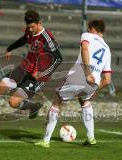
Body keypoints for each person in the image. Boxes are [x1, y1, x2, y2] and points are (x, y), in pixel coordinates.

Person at [0, 10, 62, 126]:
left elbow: (58, 59)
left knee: (13, 102)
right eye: (28, 27)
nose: (30, 29)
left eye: (33, 27)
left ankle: (33, 107)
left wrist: (42, 74)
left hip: (36, 78)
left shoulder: (47, 39)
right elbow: (23, 39)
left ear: (39, 23)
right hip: (23, 69)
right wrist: (10, 48)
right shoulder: (29, 32)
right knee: (0, 86)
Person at [35, 19, 112, 148]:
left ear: (92, 29)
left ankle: (46, 141)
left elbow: (85, 48)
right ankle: (91, 138)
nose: (88, 31)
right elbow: (108, 80)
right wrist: (95, 92)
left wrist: (87, 72)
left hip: (81, 74)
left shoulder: (87, 35)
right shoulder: (108, 49)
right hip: (94, 83)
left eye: (89, 28)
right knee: (85, 101)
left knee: (57, 100)